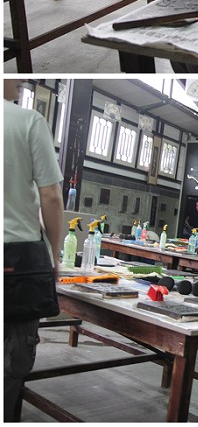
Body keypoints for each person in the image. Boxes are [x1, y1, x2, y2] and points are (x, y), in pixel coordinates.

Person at [4, 80, 64, 421]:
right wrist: (54, 255)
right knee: (12, 360)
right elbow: (51, 196)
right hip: (17, 261)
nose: (21, 79)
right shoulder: (27, 121)